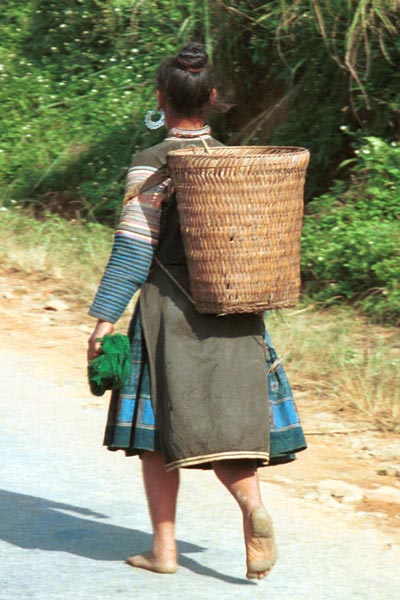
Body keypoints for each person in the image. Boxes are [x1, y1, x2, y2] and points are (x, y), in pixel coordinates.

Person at [88, 42, 306, 580]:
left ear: (161, 99)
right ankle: (252, 508)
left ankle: (163, 550)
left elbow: (134, 249)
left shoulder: (152, 165)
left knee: (159, 435)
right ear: (211, 99)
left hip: (169, 312)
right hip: (235, 313)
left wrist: (103, 320)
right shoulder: (235, 165)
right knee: (230, 421)